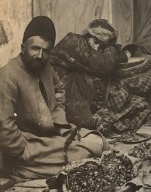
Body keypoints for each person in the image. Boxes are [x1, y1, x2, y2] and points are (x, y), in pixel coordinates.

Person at [0, 16, 107, 181]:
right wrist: (23, 152)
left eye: (46, 51)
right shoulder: (8, 75)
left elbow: (59, 89)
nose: (39, 55)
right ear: (23, 47)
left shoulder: (44, 67)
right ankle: (18, 169)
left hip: (50, 133)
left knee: (98, 140)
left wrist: (57, 117)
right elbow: (4, 125)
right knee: (83, 155)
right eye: (35, 48)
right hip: (25, 145)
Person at [50, 19, 151, 135]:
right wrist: (113, 49)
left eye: (102, 45)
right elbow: (104, 65)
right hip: (69, 101)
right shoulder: (73, 42)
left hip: (88, 96)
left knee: (142, 102)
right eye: (95, 41)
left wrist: (121, 52)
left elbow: (107, 61)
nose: (97, 47)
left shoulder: (92, 50)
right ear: (87, 35)